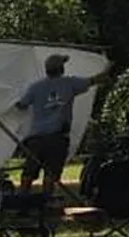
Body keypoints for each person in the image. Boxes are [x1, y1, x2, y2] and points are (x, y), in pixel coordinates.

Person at [13, 53, 96, 200]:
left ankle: (21, 202)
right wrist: (109, 70)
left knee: (29, 171)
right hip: (57, 137)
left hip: (36, 137)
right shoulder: (69, 83)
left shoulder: (35, 87)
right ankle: (45, 203)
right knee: (51, 173)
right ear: (61, 68)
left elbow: (21, 105)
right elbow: (92, 81)